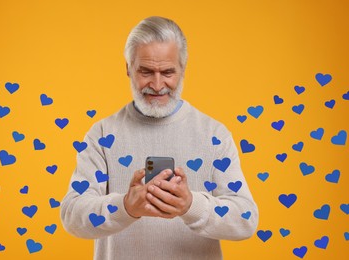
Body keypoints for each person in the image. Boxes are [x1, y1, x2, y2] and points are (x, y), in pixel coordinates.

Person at [61, 16, 258, 260]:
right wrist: (125, 207)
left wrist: (191, 206)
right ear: (128, 68)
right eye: (145, 71)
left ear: (183, 69)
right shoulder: (102, 135)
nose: (156, 84)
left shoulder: (213, 135)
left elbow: (246, 219)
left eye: (167, 72)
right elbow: (71, 215)